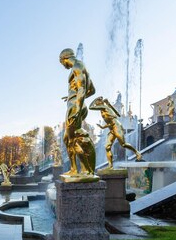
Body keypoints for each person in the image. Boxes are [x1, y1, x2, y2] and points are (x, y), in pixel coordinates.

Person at [59, 48, 97, 179]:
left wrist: (77, 106)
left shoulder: (77, 65)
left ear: (63, 58)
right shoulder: (80, 66)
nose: (63, 65)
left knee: (73, 139)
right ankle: (74, 169)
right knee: (67, 139)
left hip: (75, 106)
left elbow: (82, 88)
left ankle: (87, 170)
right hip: (76, 103)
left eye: (61, 62)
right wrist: (71, 96)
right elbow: (92, 90)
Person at [90, 96, 143, 169]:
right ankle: (110, 166)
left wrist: (96, 99)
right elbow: (112, 119)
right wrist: (103, 127)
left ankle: (137, 153)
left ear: (100, 102)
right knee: (107, 147)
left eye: (97, 103)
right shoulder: (104, 109)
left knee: (123, 144)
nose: (96, 104)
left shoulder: (103, 107)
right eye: (96, 103)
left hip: (117, 127)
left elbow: (90, 107)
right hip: (112, 128)